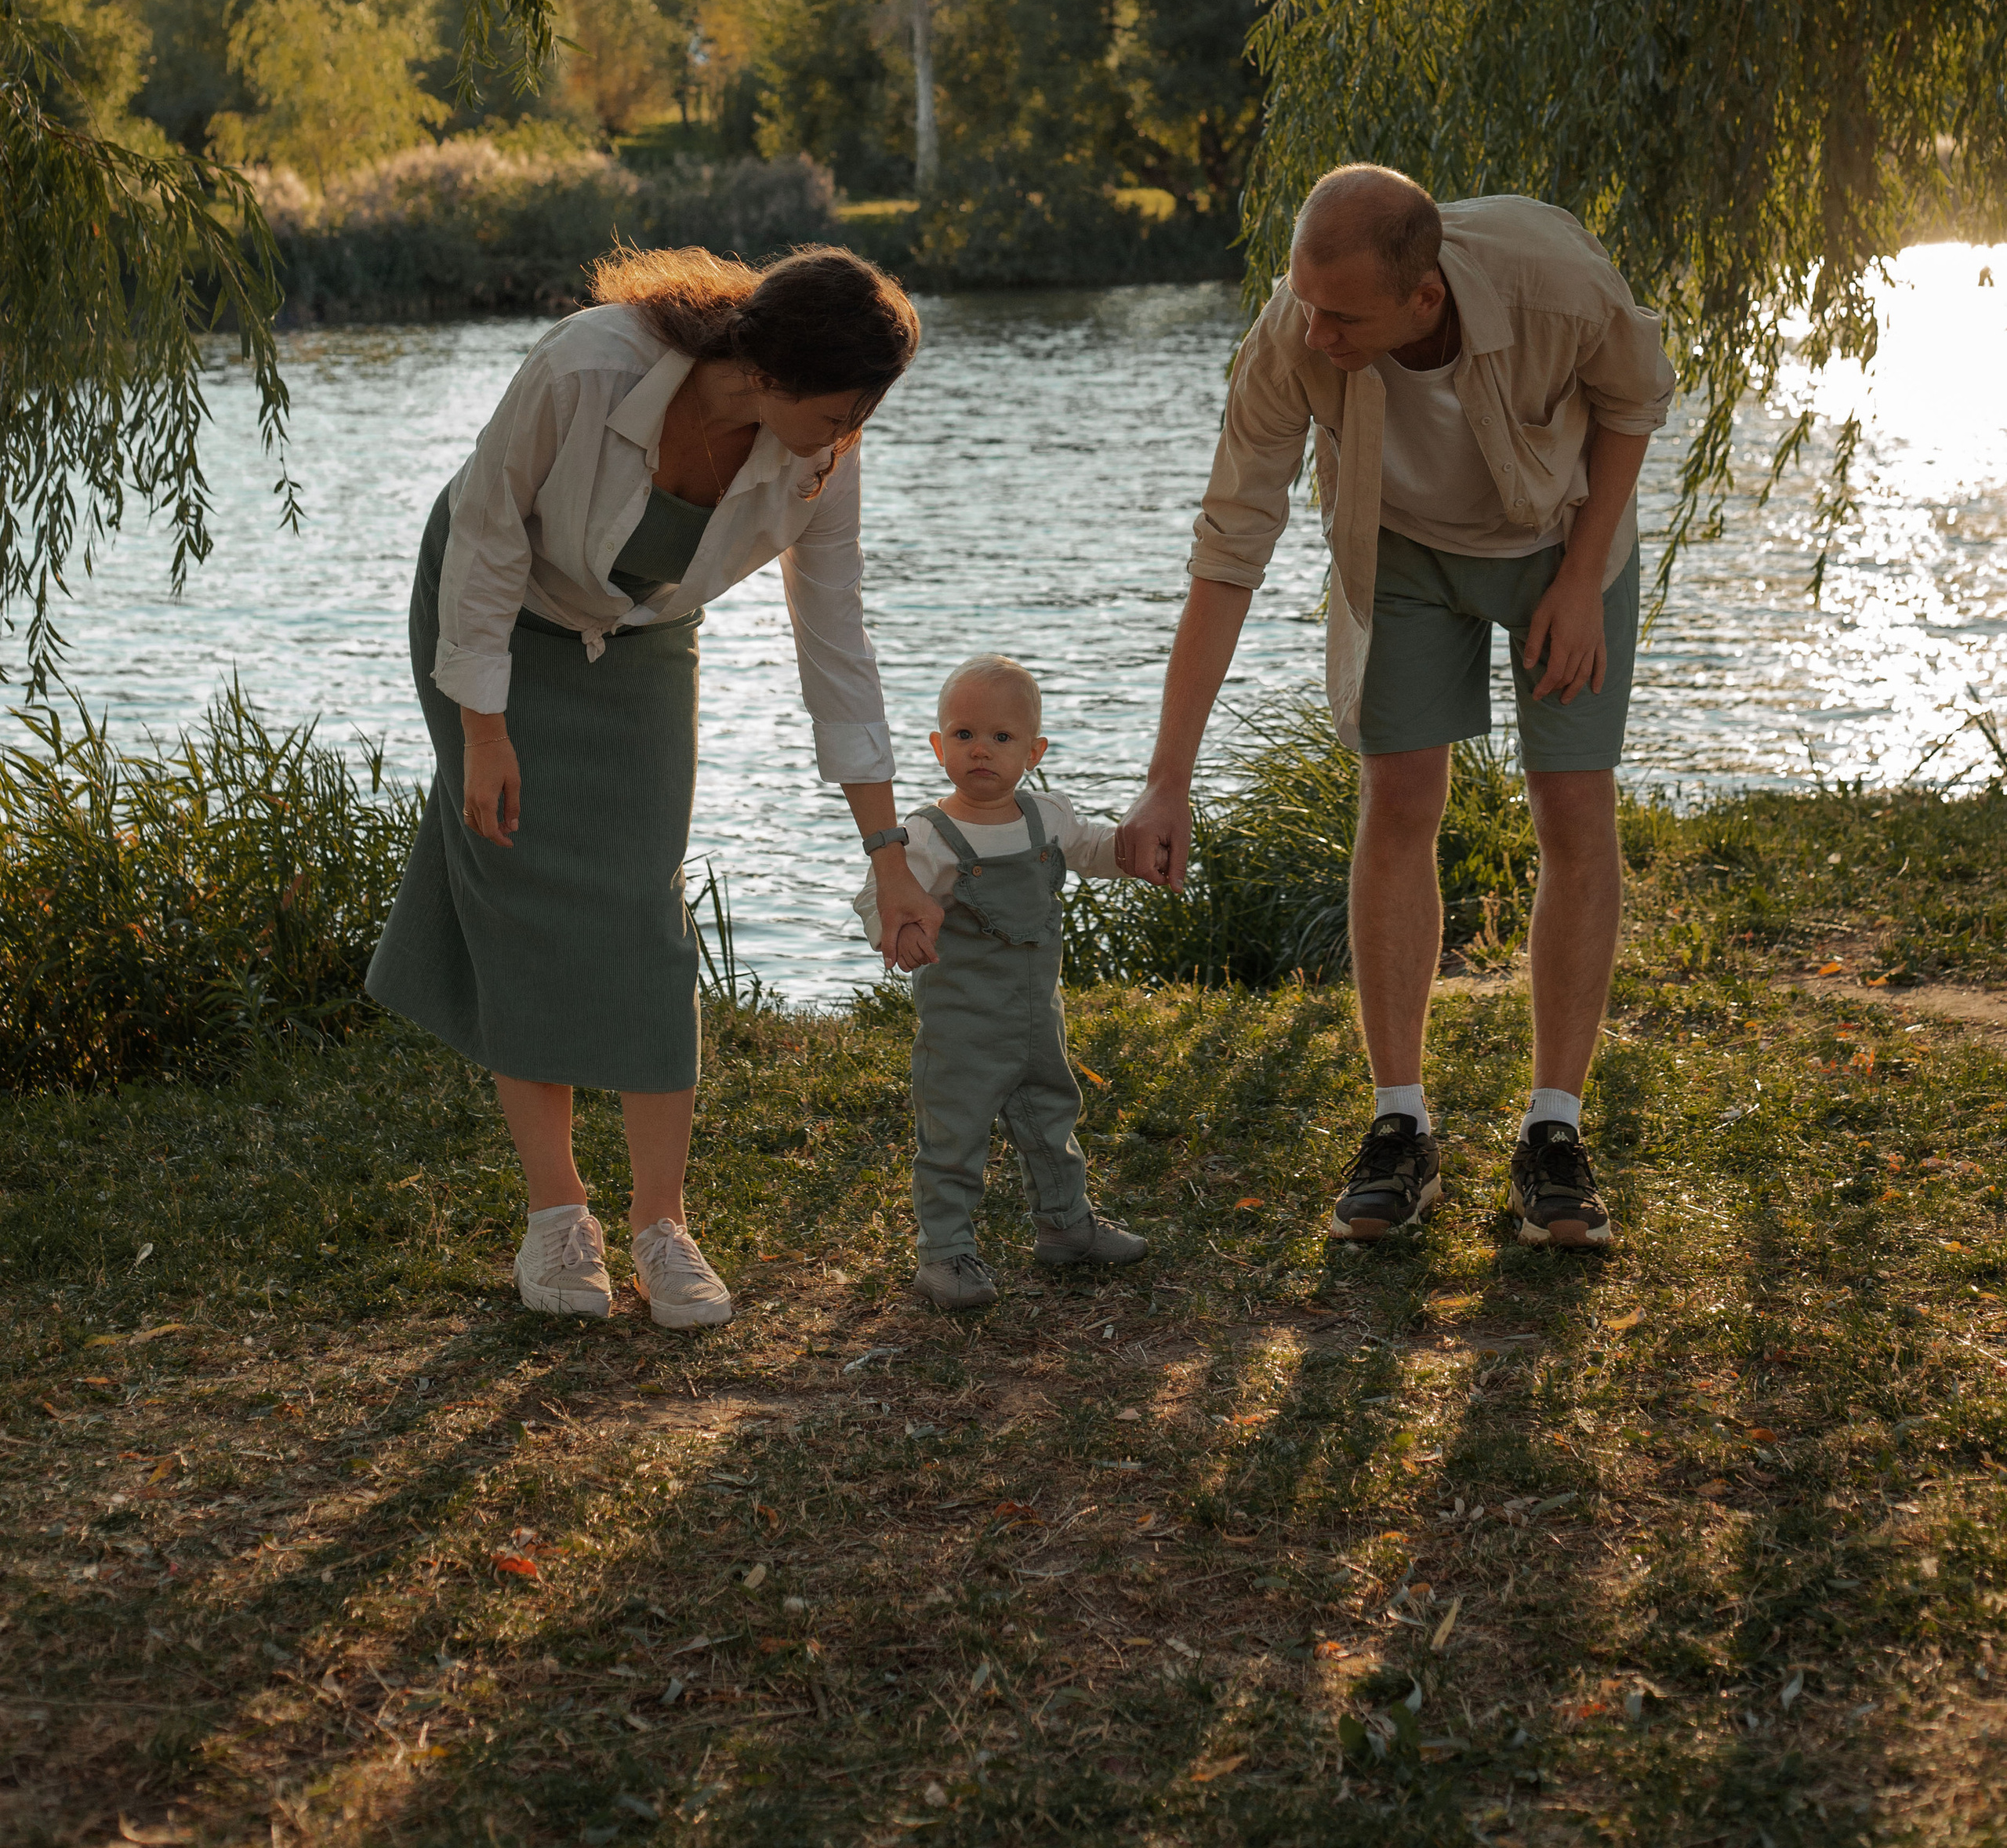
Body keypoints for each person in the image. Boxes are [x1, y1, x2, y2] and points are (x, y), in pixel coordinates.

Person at [367, 242, 942, 1330]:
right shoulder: (588, 367)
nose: (848, 434)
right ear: (769, 373)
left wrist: (888, 851)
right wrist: (483, 732)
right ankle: (556, 1220)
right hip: (494, 619)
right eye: (839, 408)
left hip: (639, 638)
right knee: (512, 885)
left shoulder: (822, 456)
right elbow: (487, 534)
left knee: (642, 907)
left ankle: (662, 1229)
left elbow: (837, 647)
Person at [1119, 168, 1675, 1253]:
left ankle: (1554, 1136)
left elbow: (1635, 399)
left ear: (1423, 300)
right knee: (1400, 794)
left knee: (1571, 806)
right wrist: (1168, 775)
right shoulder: (1294, 331)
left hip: (1563, 537)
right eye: (1304, 302)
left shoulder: (1553, 279)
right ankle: (1399, 1126)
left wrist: (1584, 579)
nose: (1311, 331)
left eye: (1341, 316)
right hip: (1405, 549)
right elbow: (1230, 546)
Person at [858, 653, 1164, 1312]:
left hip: (1036, 1014)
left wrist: (1136, 852)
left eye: (1001, 739)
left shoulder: (1045, 818)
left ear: (1033, 751)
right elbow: (880, 896)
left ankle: (1065, 1225)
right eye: (964, 735)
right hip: (961, 1024)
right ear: (939, 746)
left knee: (1051, 1117)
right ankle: (945, 1254)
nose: (981, 752)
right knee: (953, 1136)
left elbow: (1092, 847)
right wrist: (898, 932)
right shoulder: (924, 835)